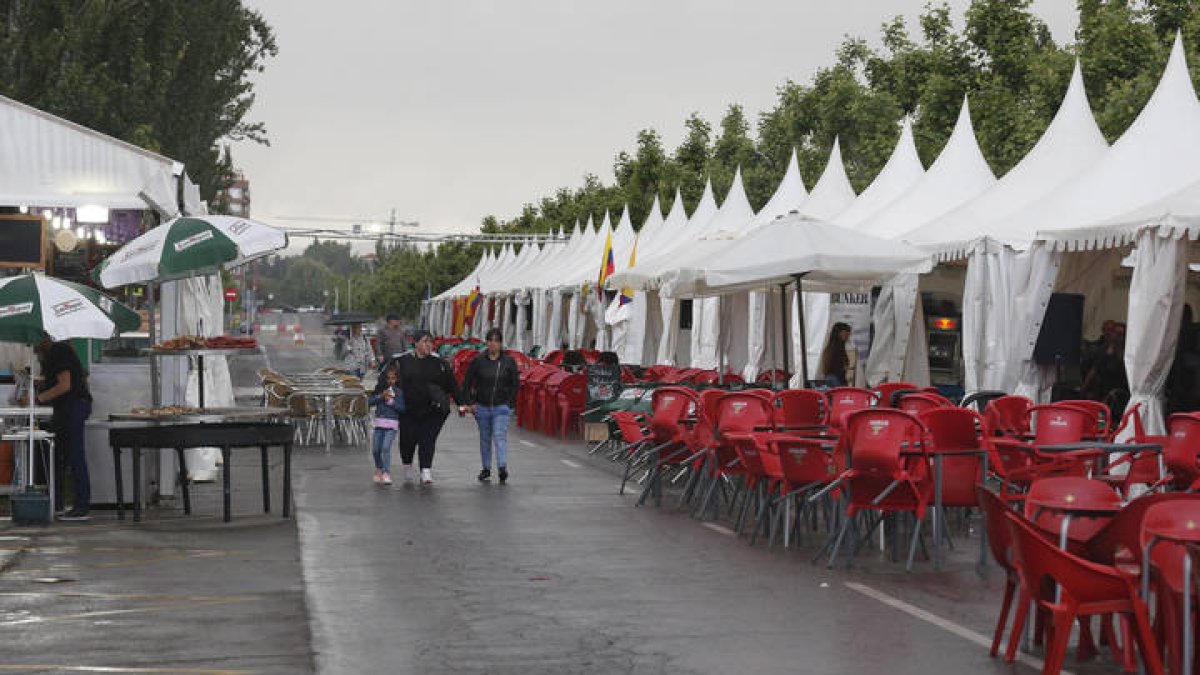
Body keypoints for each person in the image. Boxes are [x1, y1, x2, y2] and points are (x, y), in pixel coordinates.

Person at [32, 333, 93, 520]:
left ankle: (81, 506)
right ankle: (57, 502)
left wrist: (38, 399)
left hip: (72, 406)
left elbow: (65, 385)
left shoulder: (59, 350)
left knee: (74, 455)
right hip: (67, 407)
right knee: (58, 455)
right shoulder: (56, 352)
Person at [395, 330, 462, 484]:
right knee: (408, 440)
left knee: (427, 439)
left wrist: (462, 403)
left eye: (430, 342)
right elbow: (390, 380)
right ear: (416, 343)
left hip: (433, 410)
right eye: (424, 341)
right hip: (409, 410)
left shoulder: (439, 363)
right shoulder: (403, 361)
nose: (428, 345)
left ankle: (426, 469)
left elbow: (452, 384)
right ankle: (407, 466)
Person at [460, 328, 520, 483]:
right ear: (486, 342)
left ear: (501, 343)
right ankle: (486, 468)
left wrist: (509, 403)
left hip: (501, 407)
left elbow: (515, 383)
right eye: (490, 340)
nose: (493, 344)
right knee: (485, 438)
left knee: (500, 436)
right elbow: (467, 383)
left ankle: (502, 467)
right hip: (482, 406)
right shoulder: (478, 361)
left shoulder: (508, 362)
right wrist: (470, 403)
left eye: (496, 340)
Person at [368, 365, 405, 485]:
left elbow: (402, 408)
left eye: (393, 378)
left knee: (385, 448)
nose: (391, 381)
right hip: (379, 424)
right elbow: (369, 402)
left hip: (392, 425)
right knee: (375, 449)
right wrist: (381, 397)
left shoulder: (399, 392)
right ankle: (379, 468)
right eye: (388, 378)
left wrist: (391, 402)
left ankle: (386, 472)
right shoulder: (380, 391)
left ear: (397, 379)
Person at [818, 322, 853, 387]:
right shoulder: (838, 348)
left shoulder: (831, 347)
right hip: (836, 380)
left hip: (832, 379)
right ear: (840, 333)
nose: (848, 336)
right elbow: (840, 367)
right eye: (847, 333)